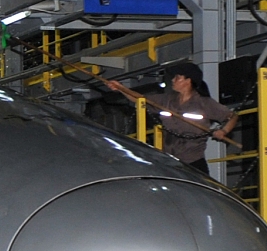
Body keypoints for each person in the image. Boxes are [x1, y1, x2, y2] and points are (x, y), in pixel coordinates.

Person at [101, 63, 237, 172]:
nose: (173, 80)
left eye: (177, 77)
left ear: (188, 80)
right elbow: (140, 99)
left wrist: (223, 131)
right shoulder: (166, 100)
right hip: (169, 161)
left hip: (193, 162)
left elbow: (232, 116)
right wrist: (120, 88)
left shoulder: (204, 103)